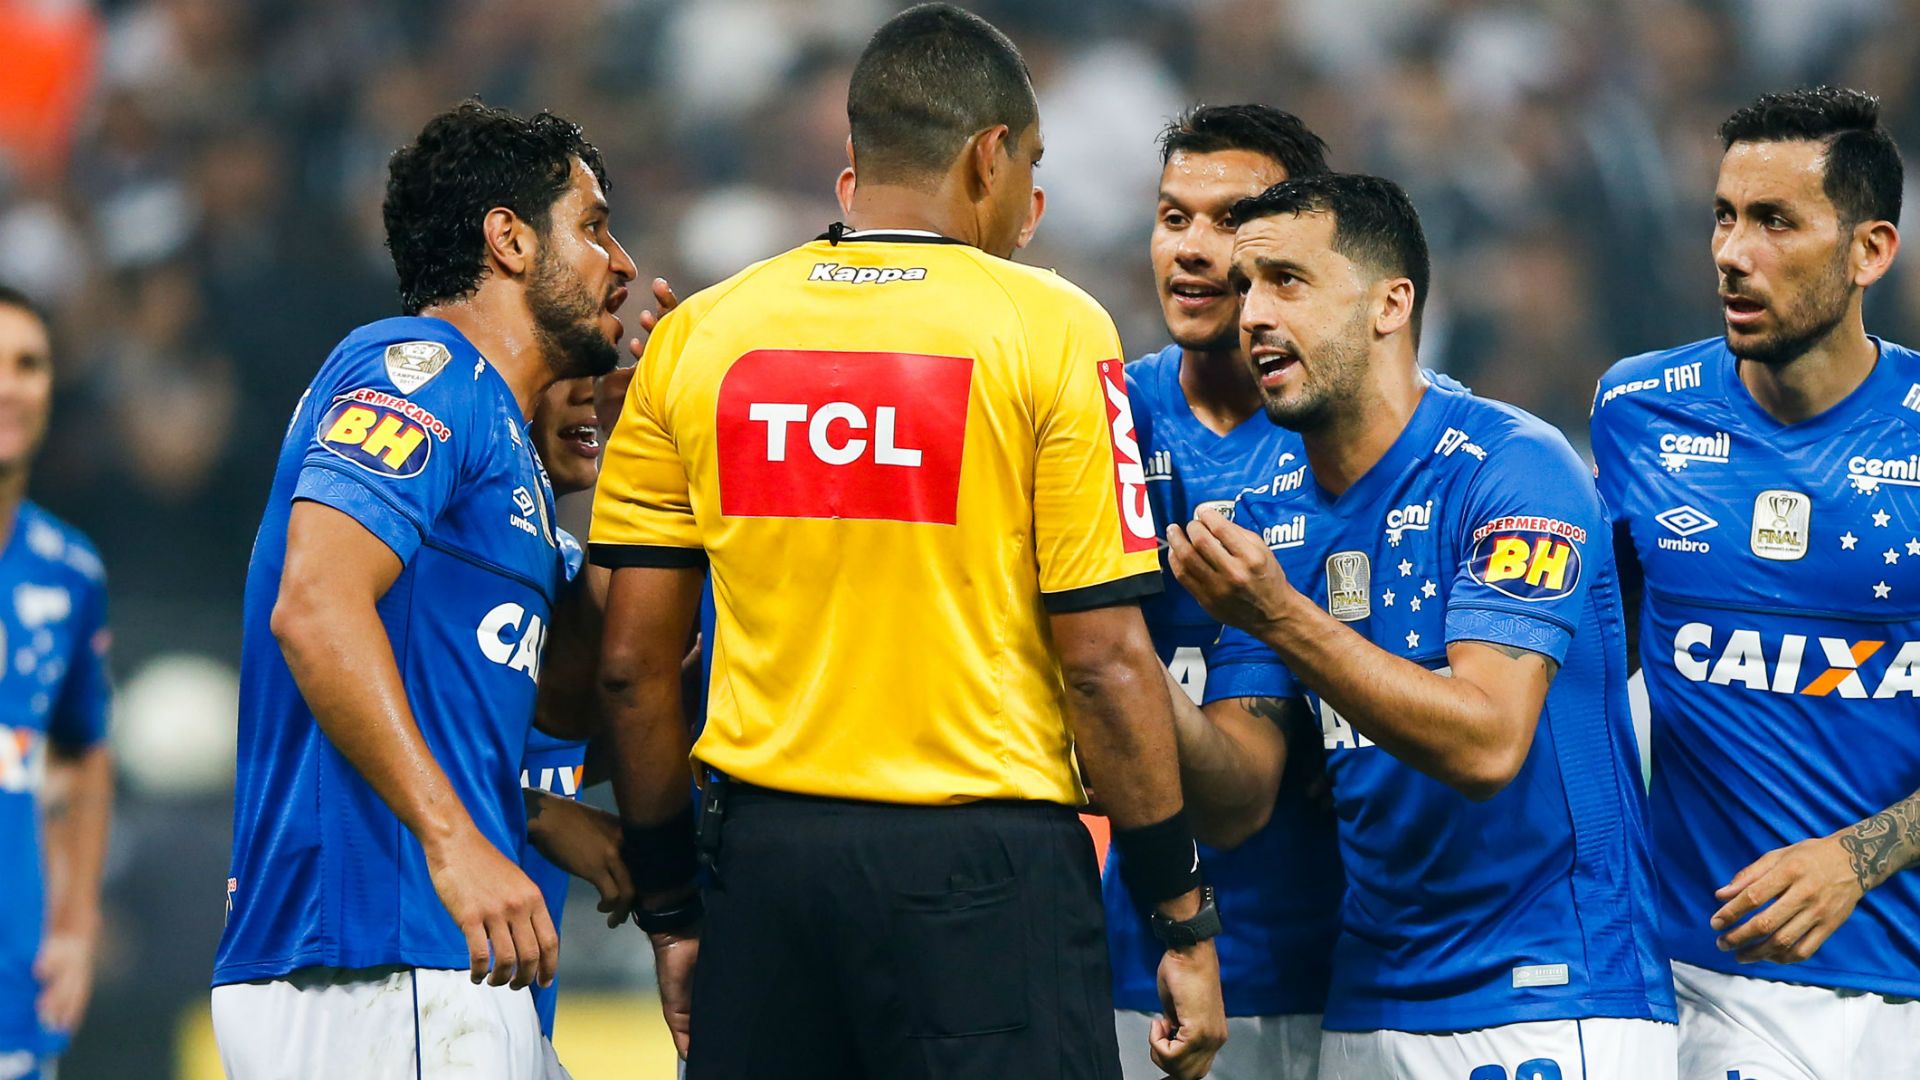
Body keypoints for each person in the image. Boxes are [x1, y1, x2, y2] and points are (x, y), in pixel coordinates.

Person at [590, 5, 1226, 1078]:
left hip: (766, 875)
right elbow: (1107, 659)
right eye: (1030, 165)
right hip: (983, 878)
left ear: (856, 159)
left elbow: (630, 664)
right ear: (989, 157)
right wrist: (1178, 911)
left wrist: (671, 907)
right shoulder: (1051, 326)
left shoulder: (701, 335)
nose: (1032, 205)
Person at [1163, 173, 1676, 1078]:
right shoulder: (1269, 507)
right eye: (1245, 288)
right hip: (1365, 1001)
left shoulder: (1513, 469)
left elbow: (1487, 742)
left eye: (1287, 281)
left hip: (1551, 998)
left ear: (1390, 303)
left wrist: (1278, 614)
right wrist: (1124, 668)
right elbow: (1237, 795)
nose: (1251, 315)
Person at [211, 101, 637, 1079]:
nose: (618, 262)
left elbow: (566, 714)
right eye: (595, 225)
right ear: (511, 239)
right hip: (375, 956)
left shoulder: (506, 450)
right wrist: (458, 844)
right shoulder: (420, 368)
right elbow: (315, 608)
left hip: (435, 967)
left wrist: (524, 818)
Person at [1589, 86, 1920, 1078]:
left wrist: (1856, 856)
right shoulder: (1638, 410)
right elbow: (1589, 669)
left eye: (1776, 222)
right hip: (1692, 980)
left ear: (1870, 250)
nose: (1734, 253)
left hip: (1893, 989)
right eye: (1725, 217)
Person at [1106, 103, 1343, 1080]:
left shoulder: (1359, 440)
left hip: (1339, 967)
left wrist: (1108, 657)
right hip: (1133, 966)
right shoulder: (1099, 417)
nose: (1193, 251)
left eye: (1231, 220)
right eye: (1174, 218)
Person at [0, 285, 113, 1080]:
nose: (10, 385)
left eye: (30, 364)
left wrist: (74, 926)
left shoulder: (70, 572)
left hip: (16, 988)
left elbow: (82, 750)